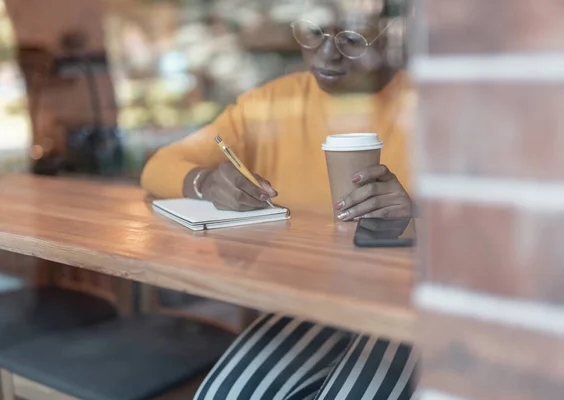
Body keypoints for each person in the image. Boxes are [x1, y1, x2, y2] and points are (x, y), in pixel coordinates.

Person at [141, 0, 416, 398]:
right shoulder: (275, 104)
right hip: (311, 303)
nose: (326, 53)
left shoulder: (433, 104)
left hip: (408, 306)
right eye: (313, 32)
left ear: (391, 35)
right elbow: (159, 166)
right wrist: (204, 182)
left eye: (352, 37)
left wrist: (417, 213)